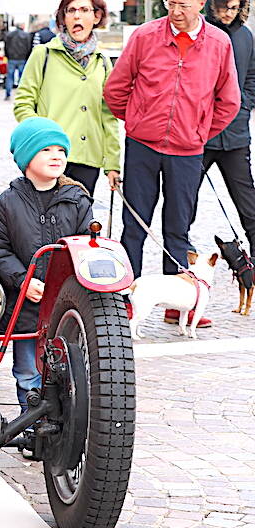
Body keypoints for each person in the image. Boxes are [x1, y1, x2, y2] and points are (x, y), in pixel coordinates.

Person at [103, 0, 240, 327]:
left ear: (201, 3)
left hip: (188, 151)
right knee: (133, 226)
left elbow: (229, 100)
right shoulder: (145, 36)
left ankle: (177, 305)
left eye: (184, 4)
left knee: (178, 228)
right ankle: (125, 299)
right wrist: (138, 122)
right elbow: (116, 89)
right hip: (142, 147)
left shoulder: (219, 43)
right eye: (171, 2)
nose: (176, 10)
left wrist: (199, 132)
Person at [0, 118, 93, 412]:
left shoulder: (78, 200)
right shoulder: (8, 202)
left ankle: (62, 423)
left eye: (61, 149)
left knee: (68, 368)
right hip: (27, 304)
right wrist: (23, 280)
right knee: (27, 370)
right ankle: (30, 422)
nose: (57, 155)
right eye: (46, 149)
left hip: (67, 304)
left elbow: (86, 247)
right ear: (26, 158)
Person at [14, 0, 121, 195]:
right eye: (71, 10)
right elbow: (23, 103)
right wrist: (44, 140)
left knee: (78, 221)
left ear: (96, 16)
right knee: (44, 221)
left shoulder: (103, 62)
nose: (77, 16)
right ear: (63, 17)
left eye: (84, 10)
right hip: (48, 157)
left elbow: (108, 116)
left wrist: (112, 164)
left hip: (88, 158)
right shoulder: (43, 54)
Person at [190, 0, 255, 259]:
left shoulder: (246, 36)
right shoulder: (200, 32)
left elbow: (251, 76)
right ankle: (181, 257)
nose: (228, 13)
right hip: (199, 137)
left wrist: (244, 104)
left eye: (234, 8)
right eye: (224, 7)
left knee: (248, 204)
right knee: (184, 202)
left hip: (236, 137)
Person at [4, 23, 32, 101]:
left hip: (11, 58)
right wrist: (27, 57)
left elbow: (6, 47)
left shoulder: (9, 35)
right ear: (22, 26)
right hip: (22, 58)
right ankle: (21, 95)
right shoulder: (26, 35)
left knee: (9, 77)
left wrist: (7, 56)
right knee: (22, 78)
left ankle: (8, 94)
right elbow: (28, 47)